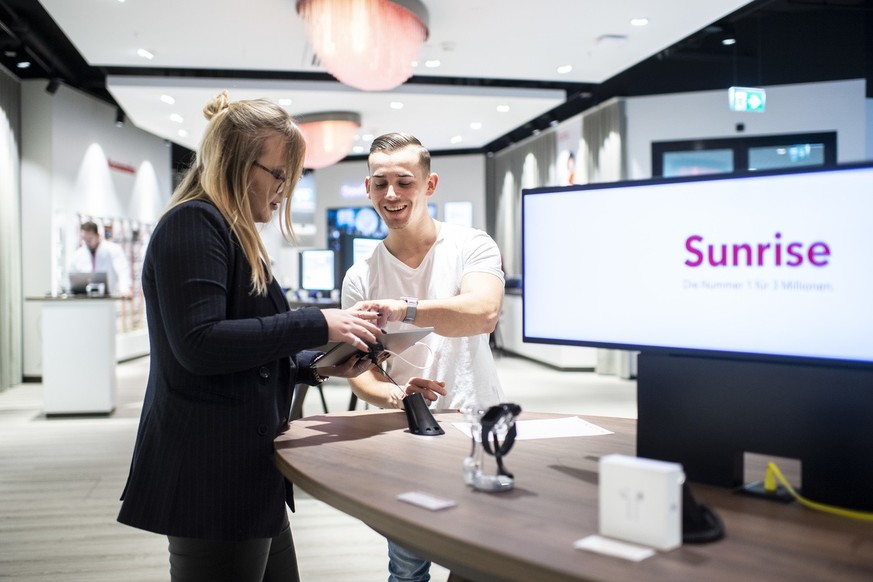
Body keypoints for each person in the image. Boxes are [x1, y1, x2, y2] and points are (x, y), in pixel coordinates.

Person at [116, 91, 383, 582]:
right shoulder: (194, 223)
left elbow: (245, 351)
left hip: (246, 469)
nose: (285, 190)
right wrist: (317, 322)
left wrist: (318, 364)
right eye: (281, 175)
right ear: (239, 163)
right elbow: (200, 342)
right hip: (211, 473)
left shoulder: (226, 230)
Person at [341, 132, 506, 582]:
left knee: (480, 564)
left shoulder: (472, 245)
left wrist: (406, 309)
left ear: (429, 185)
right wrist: (397, 398)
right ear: (368, 188)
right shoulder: (361, 276)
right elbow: (360, 371)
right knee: (408, 568)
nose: (391, 194)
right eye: (380, 183)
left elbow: (483, 312)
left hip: (480, 427)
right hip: (412, 433)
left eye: (405, 182)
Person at [68, 220, 132, 296]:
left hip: (110, 296)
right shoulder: (78, 254)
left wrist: (124, 288)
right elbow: (72, 276)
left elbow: (122, 270)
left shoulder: (113, 249)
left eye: (90, 238)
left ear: (98, 235)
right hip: (85, 298)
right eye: (85, 239)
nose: (88, 241)